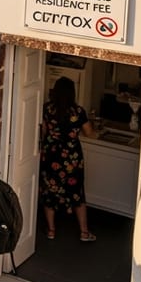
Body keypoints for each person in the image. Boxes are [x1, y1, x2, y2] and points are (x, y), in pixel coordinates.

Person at [40, 77, 98, 242]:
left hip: (51, 156)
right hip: (72, 159)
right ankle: (84, 232)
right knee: (77, 193)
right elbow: (89, 133)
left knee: (50, 192)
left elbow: (43, 131)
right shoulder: (78, 111)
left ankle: (51, 230)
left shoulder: (47, 108)